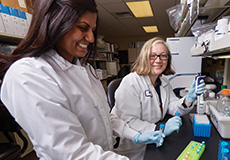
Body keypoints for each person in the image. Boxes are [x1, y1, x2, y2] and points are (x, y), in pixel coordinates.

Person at [0, 1, 165, 159]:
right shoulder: (29, 75)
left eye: (92, 29)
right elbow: (72, 152)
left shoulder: (85, 69)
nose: (91, 38)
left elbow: (106, 118)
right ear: (55, 22)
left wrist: (135, 135)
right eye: (83, 28)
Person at [111, 37, 205, 160]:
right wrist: (161, 129)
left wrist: (188, 99)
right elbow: (128, 121)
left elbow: (172, 106)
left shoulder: (163, 81)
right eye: (153, 55)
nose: (158, 60)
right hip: (132, 146)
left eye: (163, 56)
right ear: (144, 57)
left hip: (154, 140)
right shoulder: (131, 82)